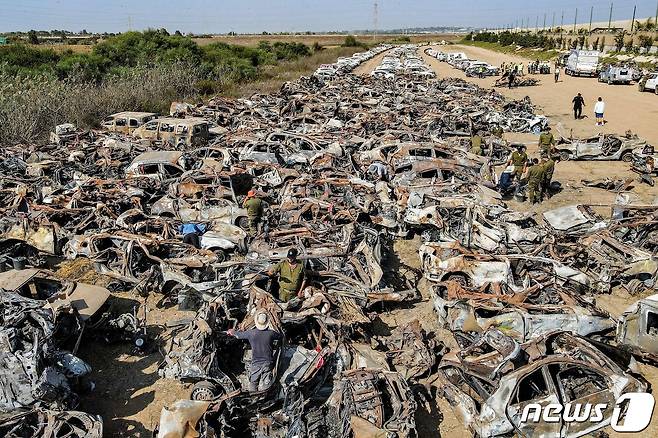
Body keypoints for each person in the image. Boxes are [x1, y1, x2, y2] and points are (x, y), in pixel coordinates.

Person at [227, 312, 282, 392]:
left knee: (253, 383)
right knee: (266, 383)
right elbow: (280, 336)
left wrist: (232, 332)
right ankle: (266, 396)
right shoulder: (271, 333)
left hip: (256, 363)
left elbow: (239, 335)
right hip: (268, 363)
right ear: (267, 322)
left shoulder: (251, 333)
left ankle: (254, 397)